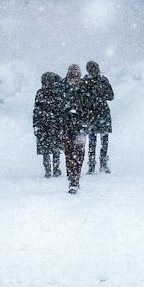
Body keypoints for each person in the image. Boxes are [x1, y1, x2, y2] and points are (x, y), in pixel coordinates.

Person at [61, 63, 88, 194]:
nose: (74, 75)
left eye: (75, 73)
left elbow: (89, 104)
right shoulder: (64, 86)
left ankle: (74, 178)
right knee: (72, 153)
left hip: (79, 125)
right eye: (72, 73)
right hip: (71, 125)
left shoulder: (82, 86)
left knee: (75, 153)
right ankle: (73, 178)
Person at [83, 60, 114, 173]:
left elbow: (111, 96)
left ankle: (97, 164)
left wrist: (95, 97)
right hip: (97, 113)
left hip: (96, 113)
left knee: (97, 140)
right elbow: (110, 96)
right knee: (97, 140)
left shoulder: (97, 80)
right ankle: (97, 164)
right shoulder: (97, 80)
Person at [32, 71, 64, 178]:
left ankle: (47, 169)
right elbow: (62, 109)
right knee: (55, 148)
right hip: (55, 124)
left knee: (45, 149)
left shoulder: (40, 93)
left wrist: (36, 125)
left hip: (43, 124)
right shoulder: (58, 93)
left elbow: (36, 110)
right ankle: (55, 168)